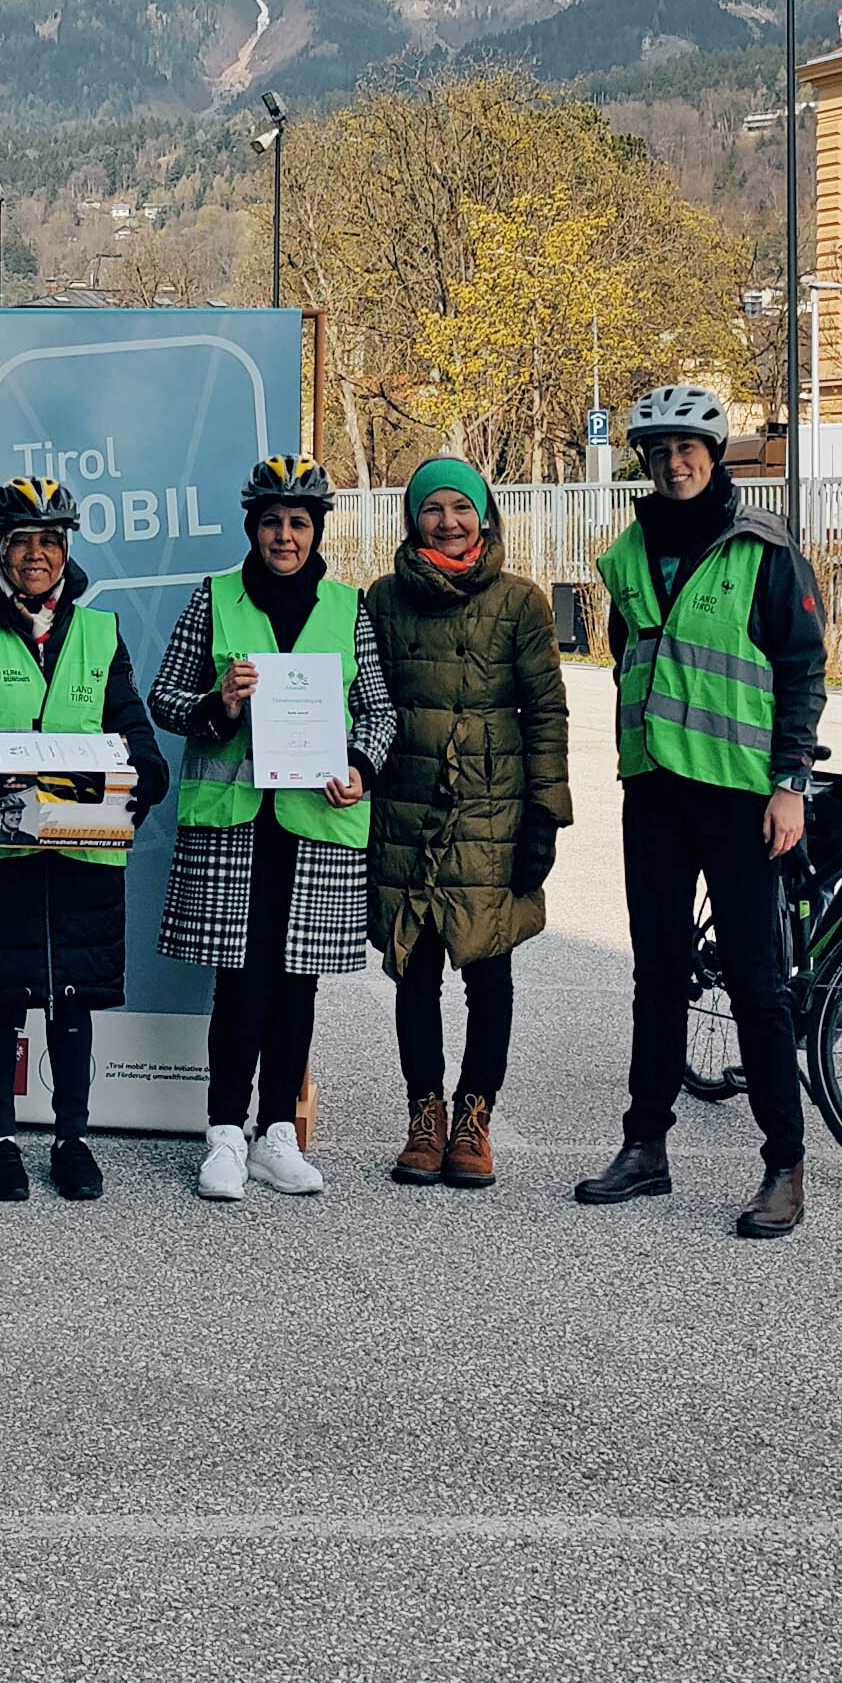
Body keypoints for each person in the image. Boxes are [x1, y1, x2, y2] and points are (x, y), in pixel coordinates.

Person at [575, 384, 829, 1238]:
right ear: (643, 465)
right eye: (659, 454)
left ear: (714, 456)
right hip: (652, 789)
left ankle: (782, 1162)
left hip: (741, 795)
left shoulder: (762, 548)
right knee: (657, 973)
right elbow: (629, 659)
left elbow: (800, 668)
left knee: (758, 984)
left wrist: (789, 781)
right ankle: (644, 1147)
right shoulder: (628, 553)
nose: (675, 465)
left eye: (689, 450)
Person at [150, 457, 396, 1203]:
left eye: (297, 523)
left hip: (316, 820)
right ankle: (225, 1133)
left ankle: (277, 1134)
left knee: (296, 982)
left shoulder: (347, 607)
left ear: (316, 530)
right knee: (240, 980)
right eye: (270, 522)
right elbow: (165, 700)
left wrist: (359, 764)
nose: (283, 536)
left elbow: (381, 713)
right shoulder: (214, 597)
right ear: (251, 528)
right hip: (235, 822)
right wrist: (220, 701)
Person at [0, 477, 170, 1203]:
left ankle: (71, 1136)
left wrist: (146, 769)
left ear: (66, 550)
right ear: (0, 548)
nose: (37, 555)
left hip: (77, 843)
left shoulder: (99, 630)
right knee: (0, 995)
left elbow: (125, 713)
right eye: (23, 541)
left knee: (72, 996)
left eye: (50, 541)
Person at [363, 457, 569, 1190]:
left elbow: (545, 712)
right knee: (412, 970)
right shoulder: (382, 600)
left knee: (489, 968)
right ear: (412, 519)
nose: (447, 521)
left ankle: (474, 1117)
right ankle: (424, 1117)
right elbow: (367, 702)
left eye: (461, 507)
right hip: (406, 806)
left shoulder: (521, 603)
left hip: (491, 806)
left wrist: (547, 812)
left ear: (484, 515)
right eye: (431, 509)